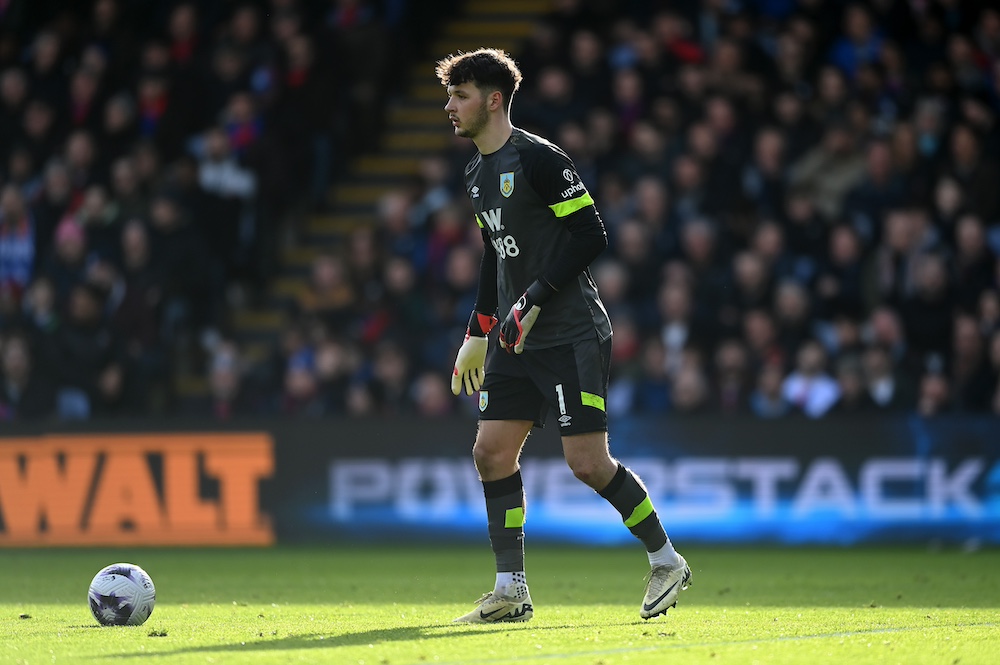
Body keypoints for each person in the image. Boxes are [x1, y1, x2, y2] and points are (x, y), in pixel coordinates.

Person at [437, 48, 691, 624]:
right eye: (450, 96)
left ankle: (666, 559)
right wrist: (476, 332)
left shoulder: (539, 160)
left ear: (494, 99)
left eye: (461, 95)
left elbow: (591, 235)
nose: (449, 106)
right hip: (512, 338)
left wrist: (533, 298)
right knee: (490, 452)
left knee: (587, 462)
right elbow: (492, 256)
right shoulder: (476, 171)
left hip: (570, 333)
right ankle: (511, 589)